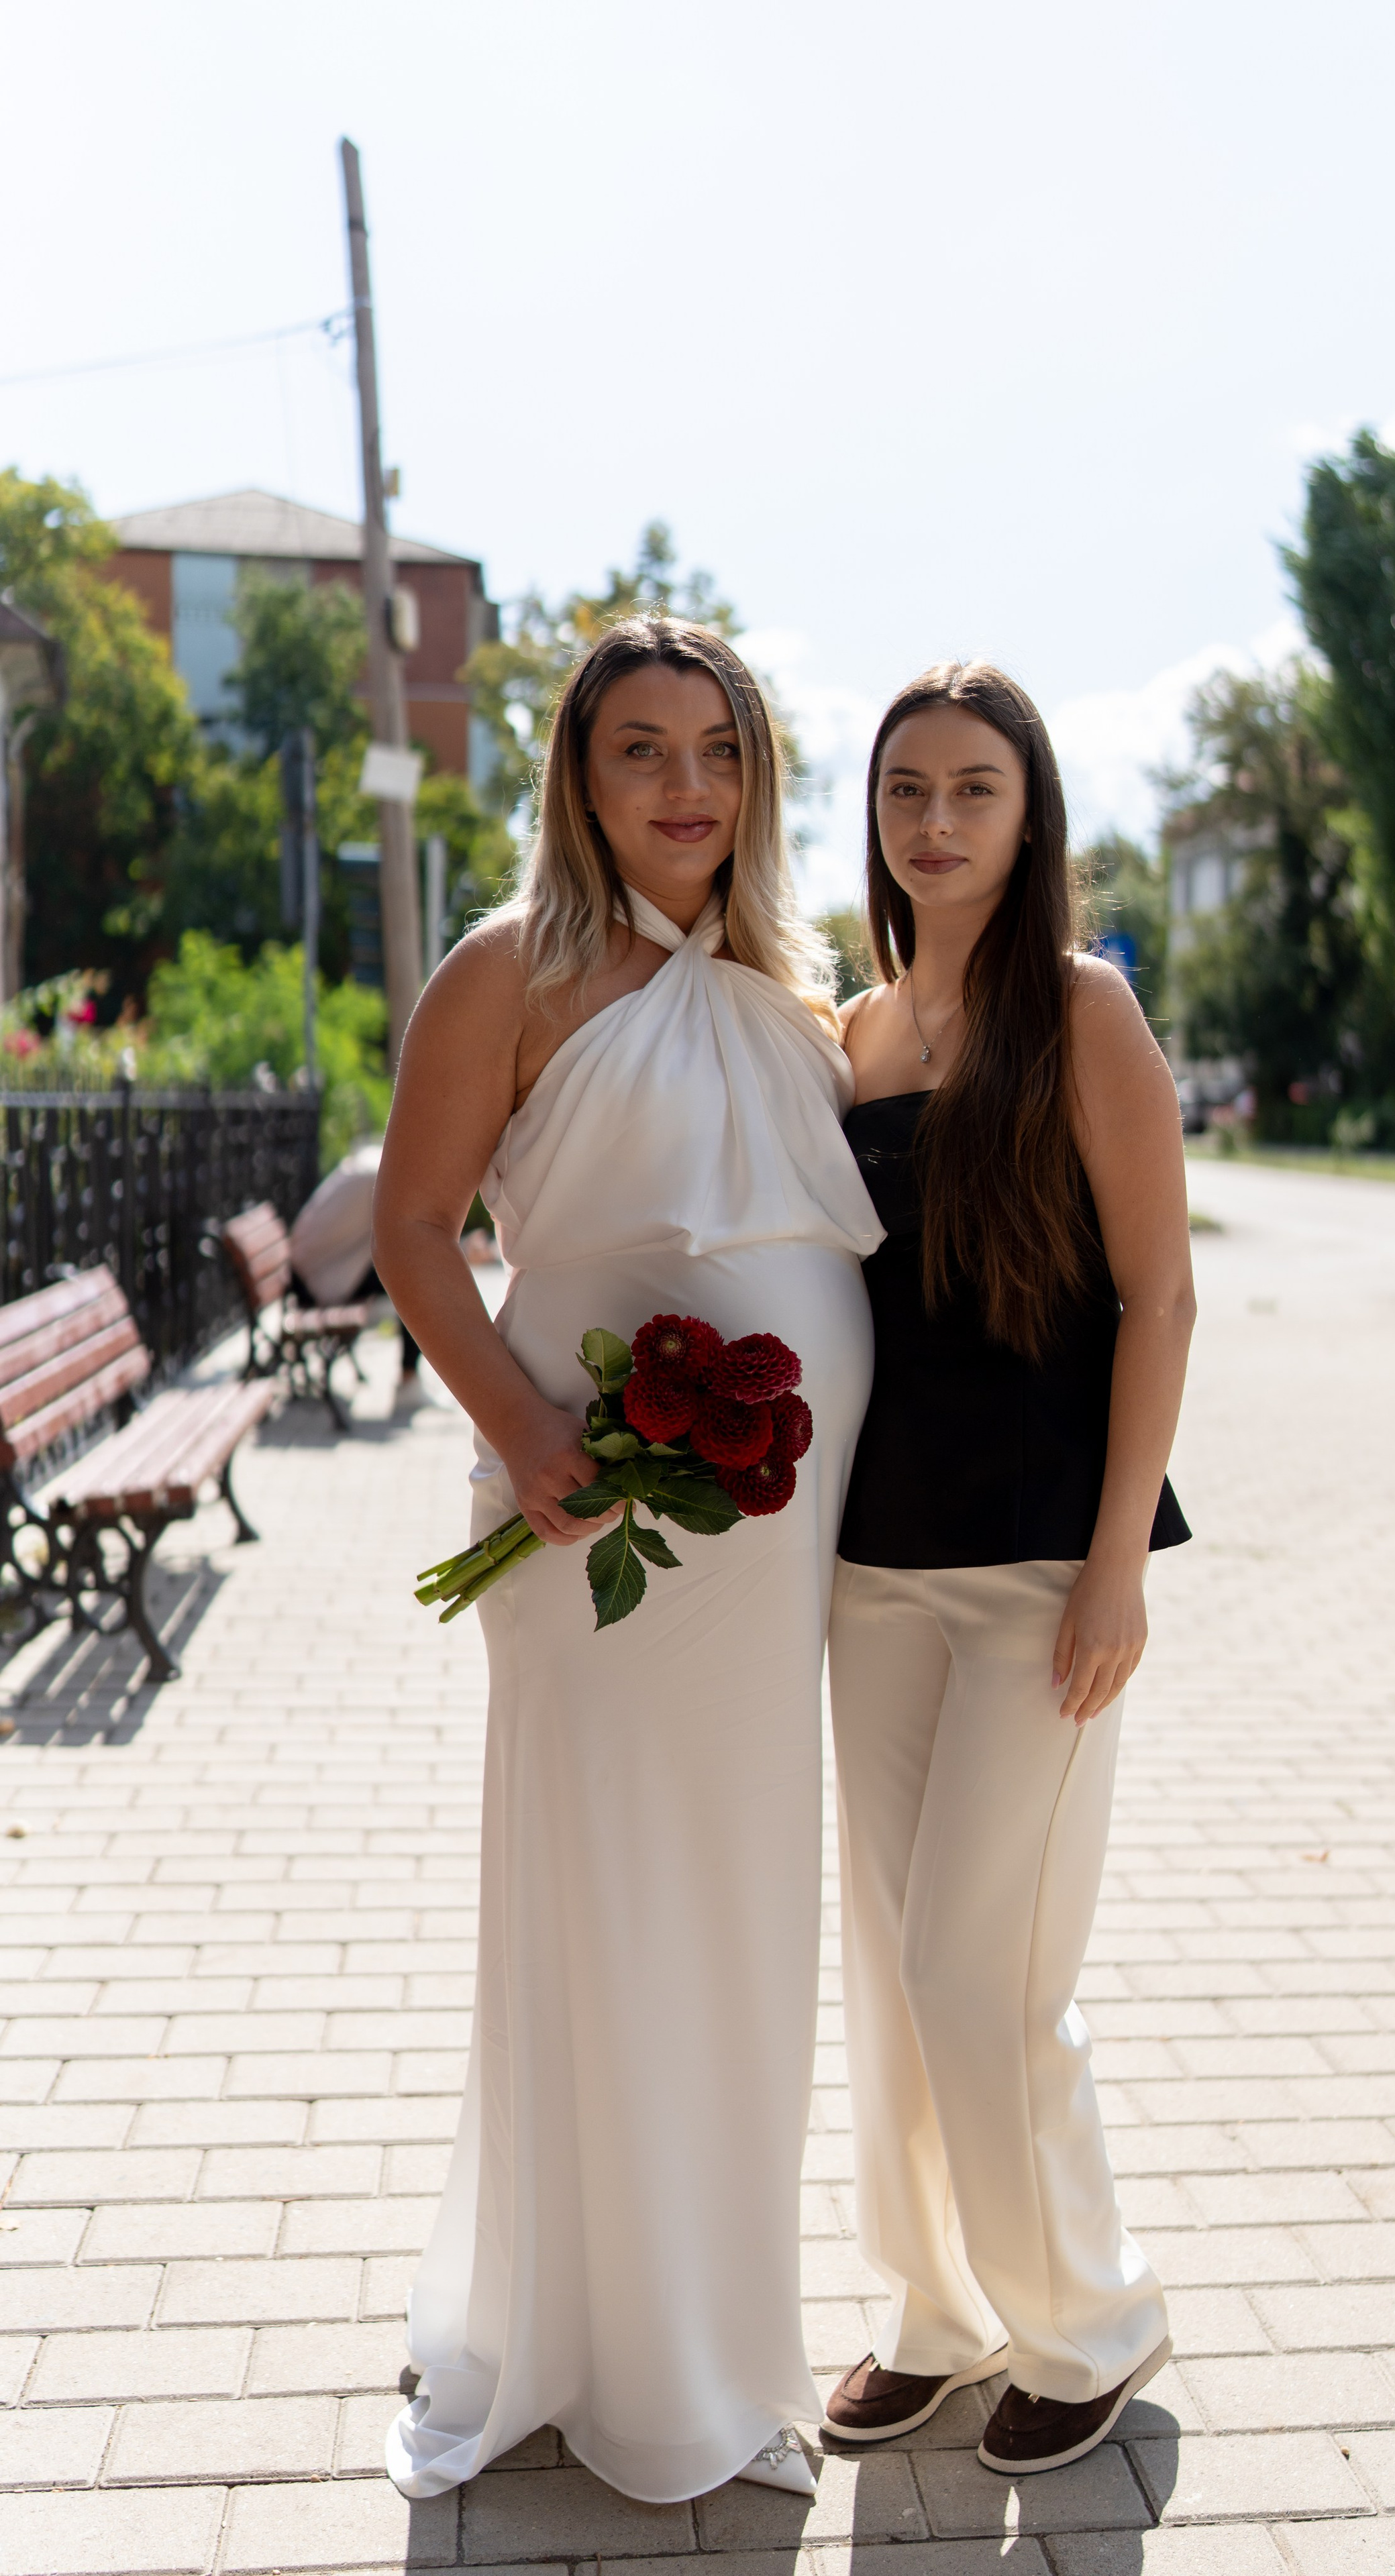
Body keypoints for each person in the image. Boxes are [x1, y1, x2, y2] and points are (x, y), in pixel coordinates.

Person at [372, 619, 882, 2504]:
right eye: (642, 751)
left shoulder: (788, 987)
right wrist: (527, 1433)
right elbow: (415, 1229)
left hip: (766, 1561)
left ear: (758, 779)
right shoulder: (508, 969)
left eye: (719, 751)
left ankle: (718, 2347)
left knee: (740, 1916)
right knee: (607, 1909)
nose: (685, 787)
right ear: (578, 780)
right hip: (585, 1522)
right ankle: (594, 2349)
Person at [821, 661, 1195, 2477]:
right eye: (906, 787)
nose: (936, 818)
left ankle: (1087, 2322)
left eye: (973, 785)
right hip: (873, 1562)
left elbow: (1160, 1295)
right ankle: (936, 2313)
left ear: (1029, 809)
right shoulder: (853, 1032)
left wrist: (1120, 1560)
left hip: (1044, 1561)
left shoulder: (1082, 1008)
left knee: (983, 1970)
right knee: (891, 1973)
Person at [288, 1139, 420, 1382]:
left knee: (413, 1275)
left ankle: (409, 1376)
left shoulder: (376, 1162)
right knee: (416, 1281)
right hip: (319, 1279)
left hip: (310, 1270)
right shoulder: (382, 1177)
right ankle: (409, 1379)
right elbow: (407, 1239)